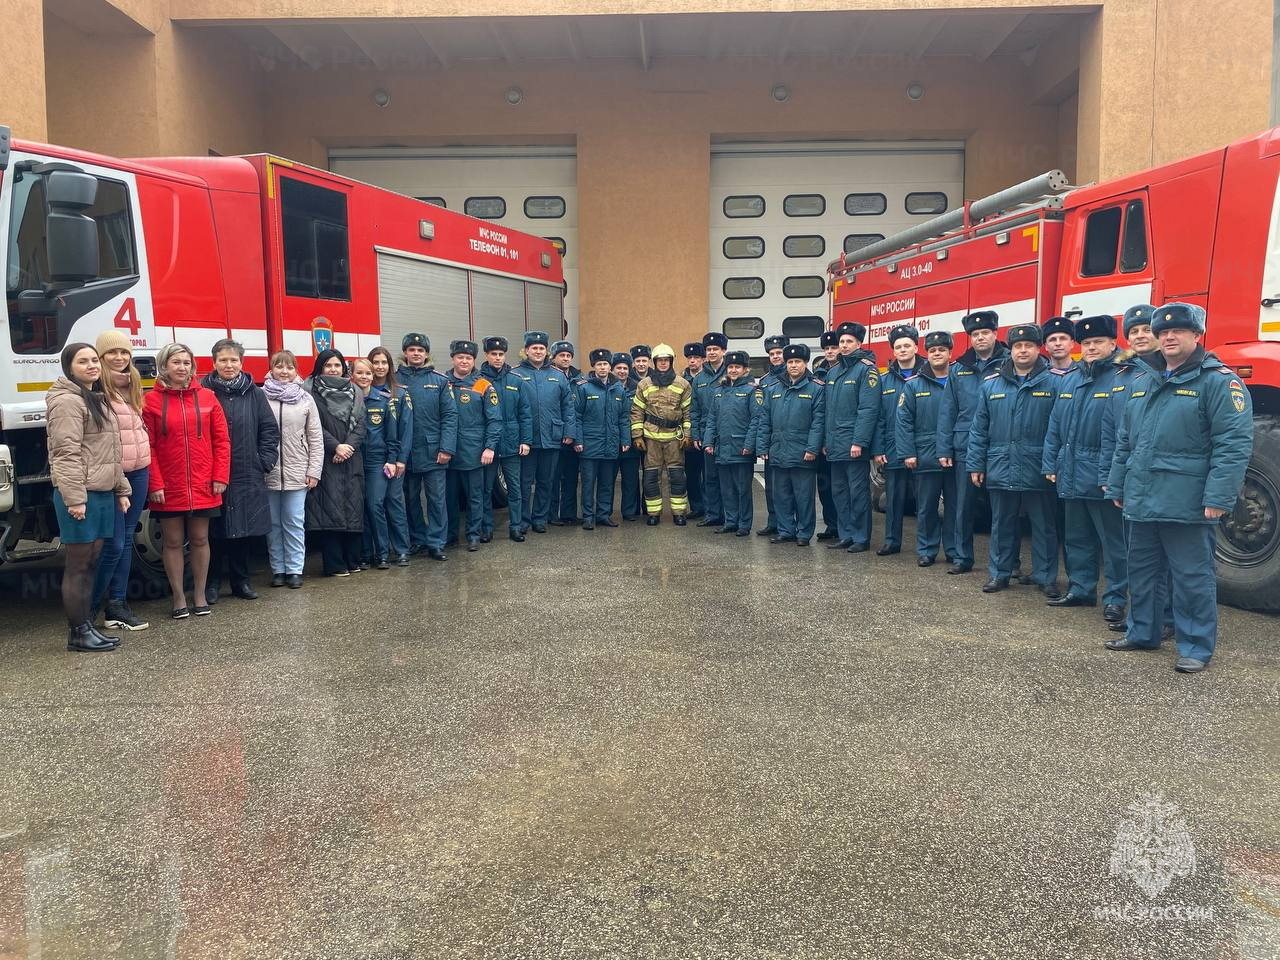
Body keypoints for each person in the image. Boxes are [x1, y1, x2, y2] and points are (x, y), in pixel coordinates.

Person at [1106, 302, 1254, 673]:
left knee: (1191, 577)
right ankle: (1143, 632)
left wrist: (1219, 496)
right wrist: (1117, 483)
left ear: (1197, 335)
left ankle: (1196, 646)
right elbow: (1126, 441)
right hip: (1141, 498)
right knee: (1141, 572)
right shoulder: (1143, 381)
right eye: (1162, 333)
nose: (1168, 338)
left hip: (1186, 501)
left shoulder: (1219, 382)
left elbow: (1233, 444)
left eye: (1178, 332)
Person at [1042, 315, 1128, 620]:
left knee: (1113, 543)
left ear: (1113, 344)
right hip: (1071, 471)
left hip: (1101, 476)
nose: (1091, 348)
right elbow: (1055, 425)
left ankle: (1115, 598)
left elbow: (1122, 433)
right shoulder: (1072, 378)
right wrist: (1050, 462)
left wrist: (1114, 476)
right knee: (1076, 537)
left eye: (1098, 342)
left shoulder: (1122, 377)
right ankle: (1081, 589)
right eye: (1087, 343)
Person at [48, 343, 132, 652]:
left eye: (94, 360)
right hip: (81, 494)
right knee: (78, 565)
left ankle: (85, 628)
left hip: (101, 492)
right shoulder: (67, 402)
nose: (92, 365)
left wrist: (121, 489)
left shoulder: (95, 397)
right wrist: (74, 499)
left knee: (92, 561)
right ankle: (78, 633)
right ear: (69, 367)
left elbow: (110, 452)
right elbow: (65, 453)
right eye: (83, 361)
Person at [967, 324, 1060, 596]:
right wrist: (975, 464)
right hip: (1000, 464)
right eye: (1018, 346)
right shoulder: (991, 385)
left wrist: (1052, 463)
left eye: (1028, 346)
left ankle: (1046, 577)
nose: (1023, 350)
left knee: (1044, 526)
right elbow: (979, 427)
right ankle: (1000, 574)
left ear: (1037, 348)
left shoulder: (1054, 382)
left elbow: (1059, 429)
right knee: (1002, 525)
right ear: (1011, 349)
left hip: (1039, 467)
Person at [143, 342, 230, 618]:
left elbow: (222, 441)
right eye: (176, 362)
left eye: (186, 362)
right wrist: (154, 483)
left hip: (204, 481)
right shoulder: (150, 401)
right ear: (164, 366)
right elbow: (149, 446)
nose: (182, 367)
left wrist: (220, 476)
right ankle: (178, 598)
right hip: (169, 484)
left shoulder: (208, 397)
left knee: (201, 539)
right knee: (172, 541)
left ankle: (200, 594)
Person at [1104, 303, 1173, 637]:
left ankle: (1168, 618)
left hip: (1162, 474)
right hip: (1131, 474)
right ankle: (1143, 616)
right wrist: (1113, 478)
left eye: (1147, 329)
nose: (1141, 336)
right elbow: (1115, 430)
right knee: (1138, 554)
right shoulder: (1123, 373)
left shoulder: (1170, 370)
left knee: (1168, 557)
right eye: (1134, 331)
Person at [202, 338, 280, 604]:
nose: (228, 364)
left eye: (233, 360)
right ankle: (211, 584)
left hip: (247, 471)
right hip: (212, 474)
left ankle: (240, 581)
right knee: (213, 530)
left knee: (243, 530)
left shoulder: (255, 393)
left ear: (241, 363)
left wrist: (264, 460)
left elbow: (269, 430)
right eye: (223, 360)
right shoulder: (203, 391)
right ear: (213, 363)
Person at [938, 310, 1009, 574]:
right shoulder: (959, 369)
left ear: (995, 333)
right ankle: (962, 557)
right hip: (965, 445)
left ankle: (1008, 562)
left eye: (985, 333)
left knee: (1003, 511)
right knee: (962, 506)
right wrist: (944, 447)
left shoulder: (1009, 362)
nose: (980, 338)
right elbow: (948, 410)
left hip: (1000, 445)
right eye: (975, 334)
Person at [91, 330, 150, 632]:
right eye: (112, 353)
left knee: (125, 538)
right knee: (113, 543)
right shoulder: (94, 392)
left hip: (140, 470)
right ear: (100, 358)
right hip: (116, 474)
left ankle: (117, 605)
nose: (119, 358)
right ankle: (90, 608)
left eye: (124, 352)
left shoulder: (134, 386)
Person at [263, 350, 324, 588]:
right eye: (279, 367)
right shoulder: (261, 396)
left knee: (294, 522)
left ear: (295, 370)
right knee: (273, 524)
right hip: (269, 471)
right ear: (272, 369)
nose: (284, 372)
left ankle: (295, 570)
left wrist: (314, 470)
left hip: (298, 471)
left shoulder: (305, 398)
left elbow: (315, 438)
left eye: (289, 367)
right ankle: (278, 569)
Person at [396, 333, 457, 561]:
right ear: (405, 353)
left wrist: (447, 448)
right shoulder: (394, 379)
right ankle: (417, 539)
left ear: (427, 354)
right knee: (410, 499)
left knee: (436, 499)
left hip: (434, 451)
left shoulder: (439, 381)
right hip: (406, 452)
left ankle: (436, 542)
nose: (416, 353)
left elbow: (450, 417)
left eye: (420, 350)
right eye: (411, 349)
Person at [757, 343, 826, 546]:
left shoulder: (816, 388)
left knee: (803, 497)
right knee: (782, 495)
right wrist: (762, 446)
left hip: (803, 453)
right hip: (778, 450)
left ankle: (804, 533)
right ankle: (786, 530)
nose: (793, 365)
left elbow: (818, 422)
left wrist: (812, 448)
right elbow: (765, 420)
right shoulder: (773, 388)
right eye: (790, 362)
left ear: (805, 363)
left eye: (797, 361)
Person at [898, 331, 957, 566]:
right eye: (932, 351)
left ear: (950, 353)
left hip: (954, 456)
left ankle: (953, 550)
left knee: (955, 508)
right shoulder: (914, 385)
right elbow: (903, 420)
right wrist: (908, 452)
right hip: (924, 456)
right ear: (927, 354)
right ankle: (927, 549)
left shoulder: (959, 380)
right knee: (926, 507)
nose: (937, 354)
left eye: (942, 350)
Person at [305, 349, 367, 576]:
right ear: (320, 368)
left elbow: (361, 423)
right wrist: (336, 446)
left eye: (337, 365)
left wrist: (348, 446)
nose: (333, 369)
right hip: (327, 458)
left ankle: (353, 560)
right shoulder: (310, 392)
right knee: (329, 511)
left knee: (353, 509)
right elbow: (313, 426)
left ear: (344, 368)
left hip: (352, 457)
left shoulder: (356, 392)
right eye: (328, 365)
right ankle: (335, 564)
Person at [823, 322, 881, 554]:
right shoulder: (833, 372)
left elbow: (868, 410)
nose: (844, 346)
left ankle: (860, 536)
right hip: (835, 444)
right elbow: (828, 411)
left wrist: (859, 442)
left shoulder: (866, 370)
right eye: (842, 342)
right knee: (839, 492)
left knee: (858, 493)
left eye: (849, 342)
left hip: (853, 445)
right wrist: (826, 441)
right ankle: (846, 534)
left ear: (859, 344)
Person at [353, 357, 412, 568]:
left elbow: (393, 434)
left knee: (376, 503)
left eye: (367, 373)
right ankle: (367, 553)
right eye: (359, 373)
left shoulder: (385, 399)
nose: (365, 376)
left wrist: (393, 460)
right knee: (363, 508)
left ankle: (385, 553)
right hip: (354, 461)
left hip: (379, 462)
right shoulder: (349, 398)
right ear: (352, 375)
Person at [516, 331, 576, 534]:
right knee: (524, 482)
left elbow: (568, 406)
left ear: (546, 351)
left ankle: (539, 518)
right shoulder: (516, 374)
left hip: (552, 435)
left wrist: (569, 431)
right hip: (526, 438)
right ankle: (523, 520)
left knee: (546, 480)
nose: (538, 351)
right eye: (534, 348)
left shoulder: (558, 376)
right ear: (526, 351)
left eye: (542, 348)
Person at [872, 325, 924, 557]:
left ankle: (925, 547)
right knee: (894, 500)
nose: (902, 350)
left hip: (922, 447)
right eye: (898, 347)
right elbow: (879, 417)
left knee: (925, 502)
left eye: (906, 345)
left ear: (916, 347)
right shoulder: (884, 380)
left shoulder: (928, 374)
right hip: (892, 448)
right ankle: (892, 542)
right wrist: (878, 449)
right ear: (893, 351)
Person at [445, 340, 501, 551]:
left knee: (475, 497)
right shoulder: (443, 382)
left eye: (468, 358)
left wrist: (490, 447)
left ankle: (473, 535)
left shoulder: (483, 385)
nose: (464, 361)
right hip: (448, 452)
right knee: (449, 498)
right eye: (460, 357)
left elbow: (495, 420)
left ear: (474, 360)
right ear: (453, 359)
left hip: (474, 452)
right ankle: (450, 536)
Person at [630, 343, 693, 525]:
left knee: (677, 477)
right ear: (654, 362)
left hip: (675, 438)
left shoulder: (683, 384)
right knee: (650, 478)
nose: (663, 363)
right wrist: (637, 436)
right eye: (660, 360)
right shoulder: (644, 384)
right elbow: (637, 411)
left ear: (671, 362)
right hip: (651, 439)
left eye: (666, 360)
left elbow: (688, 412)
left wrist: (687, 435)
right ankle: (653, 514)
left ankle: (679, 513)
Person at [479, 336, 533, 542]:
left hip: (512, 443)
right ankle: (487, 528)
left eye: (501, 354)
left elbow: (525, 414)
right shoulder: (479, 381)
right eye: (494, 354)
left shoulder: (515, 380)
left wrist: (526, 441)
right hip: (488, 445)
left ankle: (516, 527)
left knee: (515, 487)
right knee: (486, 488)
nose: (498, 358)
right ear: (486, 355)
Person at [704, 350, 761, 536]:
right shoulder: (719, 392)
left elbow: (756, 420)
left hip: (741, 449)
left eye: (737, 367)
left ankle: (744, 524)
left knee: (742, 489)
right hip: (722, 448)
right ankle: (730, 521)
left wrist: (749, 445)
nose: (734, 370)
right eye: (730, 367)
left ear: (745, 369)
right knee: (726, 488)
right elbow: (712, 418)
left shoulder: (752, 391)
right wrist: (708, 442)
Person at [575, 348, 631, 529]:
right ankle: (588, 517)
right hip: (589, 445)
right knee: (588, 483)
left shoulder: (618, 390)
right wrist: (578, 440)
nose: (602, 368)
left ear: (610, 367)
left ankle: (603, 515)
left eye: (605, 364)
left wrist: (625, 440)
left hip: (611, 444)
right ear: (593, 366)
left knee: (607, 483)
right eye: (599, 364)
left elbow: (624, 418)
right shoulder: (584, 388)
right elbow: (576, 416)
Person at [690, 333, 729, 528]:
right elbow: (694, 409)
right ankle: (713, 514)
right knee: (710, 477)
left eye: (716, 349)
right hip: (707, 433)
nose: (712, 352)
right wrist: (696, 434)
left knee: (728, 478)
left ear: (723, 351)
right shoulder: (699, 379)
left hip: (729, 433)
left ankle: (730, 517)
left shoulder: (730, 373)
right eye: (709, 349)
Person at [756, 335, 789, 536]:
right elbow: (762, 413)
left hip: (790, 441)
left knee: (788, 488)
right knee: (771, 486)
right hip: (771, 441)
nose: (775, 357)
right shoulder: (765, 381)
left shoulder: (797, 374)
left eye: (779, 353)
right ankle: (773, 521)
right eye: (772, 354)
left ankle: (788, 524)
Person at [550, 340, 583, 525]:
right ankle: (552, 514)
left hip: (572, 435)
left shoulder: (579, 379)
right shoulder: (548, 375)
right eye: (561, 355)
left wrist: (574, 434)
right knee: (553, 477)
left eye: (568, 356)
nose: (565, 358)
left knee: (571, 477)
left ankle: (569, 513)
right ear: (554, 357)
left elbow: (577, 410)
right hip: (554, 435)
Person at [812, 330, 841, 540]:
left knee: (841, 488)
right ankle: (831, 525)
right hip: (822, 441)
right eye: (827, 348)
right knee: (825, 487)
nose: (830, 351)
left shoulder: (846, 371)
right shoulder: (819, 374)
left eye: (834, 347)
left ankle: (844, 527)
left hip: (840, 439)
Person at [613, 353, 645, 521]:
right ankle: (606, 512)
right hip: (611, 439)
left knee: (631, 478)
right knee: (608, 480)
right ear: (613, 369)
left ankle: (630, 511)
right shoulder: (608, 386)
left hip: (633, 439)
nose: (622, 371)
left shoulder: (638, 387)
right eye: (619, 368)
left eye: (625, 368)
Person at [682, 342, 708, 519]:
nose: (692, 361)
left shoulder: (709, 378)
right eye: (690, 358)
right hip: (688, 433)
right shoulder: (681, 380)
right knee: (691, 474)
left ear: (703, 359)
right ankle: (696, 507)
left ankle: (710, 507)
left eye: (696, 358)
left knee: (709, 475)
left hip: (707, 432)